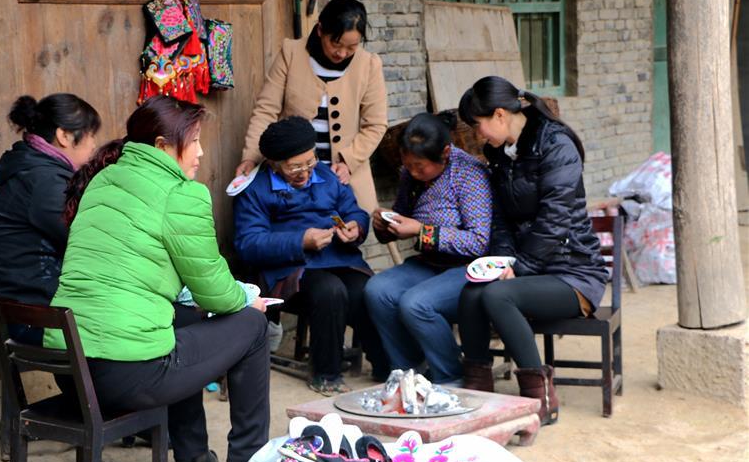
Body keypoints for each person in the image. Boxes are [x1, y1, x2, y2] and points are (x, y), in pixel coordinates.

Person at [47, 96, 269, 462]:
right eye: (195, 140)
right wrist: (246, 298)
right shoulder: (181, 194)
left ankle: (193, 453)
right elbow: (216, 293)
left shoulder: (102, 180)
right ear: (163, 145)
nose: (201, 151)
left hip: (72, 370)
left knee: (181, 320)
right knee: (252, 325)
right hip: (126, 376)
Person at [456, 76, 608, 425]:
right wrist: (504, 260)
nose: (478, 137)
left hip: (574, 272)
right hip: (532, 267)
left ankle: (538, 395)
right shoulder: (501, 154)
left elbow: (556, 219)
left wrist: (520, 267)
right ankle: (477, 391)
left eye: (478, 127)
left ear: (499, 115)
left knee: (498, 297)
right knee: (471, 293)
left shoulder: (556, 145)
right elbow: (502, 221)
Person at [233, 117, 389, 396]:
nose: (304, 173)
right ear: (273, 163)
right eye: (294, 167)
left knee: (368, 291)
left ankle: (387, 367)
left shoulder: (328, 177)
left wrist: (355, 226)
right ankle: (326, 374)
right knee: (330, 291)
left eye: (309, 162)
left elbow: (350, 210)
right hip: (290, 269)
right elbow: (248, 243)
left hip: (338, 257)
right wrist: (300, 240)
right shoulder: (255, 189)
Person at [364, 111, 491, 385]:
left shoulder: (469, 175)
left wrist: (422, 231)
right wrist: (385, 224)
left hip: (470, 269)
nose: (412, 172)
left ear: (445, 153)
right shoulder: (411, 176)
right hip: (429, 263)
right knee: (378, 290)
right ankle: (410, 373)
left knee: (416, 303)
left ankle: (450, 375)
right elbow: (401, 220)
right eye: (407, 165)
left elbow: (479, 241)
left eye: (419, 166)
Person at [234, 0, 388, 214]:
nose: (342, 53)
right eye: (336, 43)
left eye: (352, 46)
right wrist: (251, 157)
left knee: (346, 235)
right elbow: (266, 111)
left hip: (342, 175)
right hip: (290, 173)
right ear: (320, 29)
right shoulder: (291, 53)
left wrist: (348, 161)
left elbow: (376, 124)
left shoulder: (369, 65)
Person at [0, 93, 100, 345]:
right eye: (90, 135)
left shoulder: (33, 169)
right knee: (157, 319)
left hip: (31, 308)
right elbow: (91, 242)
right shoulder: (43, 181)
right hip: (37, 319)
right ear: (64, 136)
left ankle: (85, 385)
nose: (94, 145)